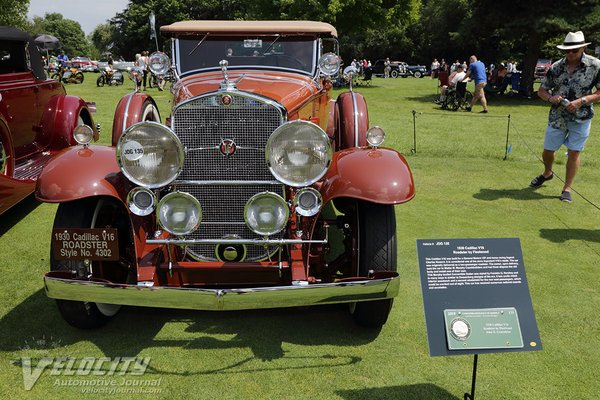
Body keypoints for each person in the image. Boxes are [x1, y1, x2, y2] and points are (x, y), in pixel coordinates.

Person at [529, 31, 600, 202]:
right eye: (567, 50)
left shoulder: (596, 65)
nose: (570, 53)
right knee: (548, 151)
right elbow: (541, 90)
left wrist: (582, 101)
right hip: (557, 116)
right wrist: (551, 98)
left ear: (583, 48)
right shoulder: (556, 67)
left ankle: (567, 188)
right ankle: (547, 173)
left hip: (581, 117)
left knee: (574, 152)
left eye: (574, 50)